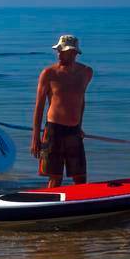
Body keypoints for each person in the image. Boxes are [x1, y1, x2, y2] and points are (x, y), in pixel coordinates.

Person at [31, 34, 93, 187]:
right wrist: (35, 138)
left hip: (74, 131)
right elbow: (39, 107)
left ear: (74, 53)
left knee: (80, 177)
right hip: (54, 130)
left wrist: (79, 126)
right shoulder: (49, 73)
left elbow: (80, 100)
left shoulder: (86, 72)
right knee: (55, 177)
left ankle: (81, 206)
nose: (58, 54)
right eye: (58, 50)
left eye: (62, 51)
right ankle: (49, 208)